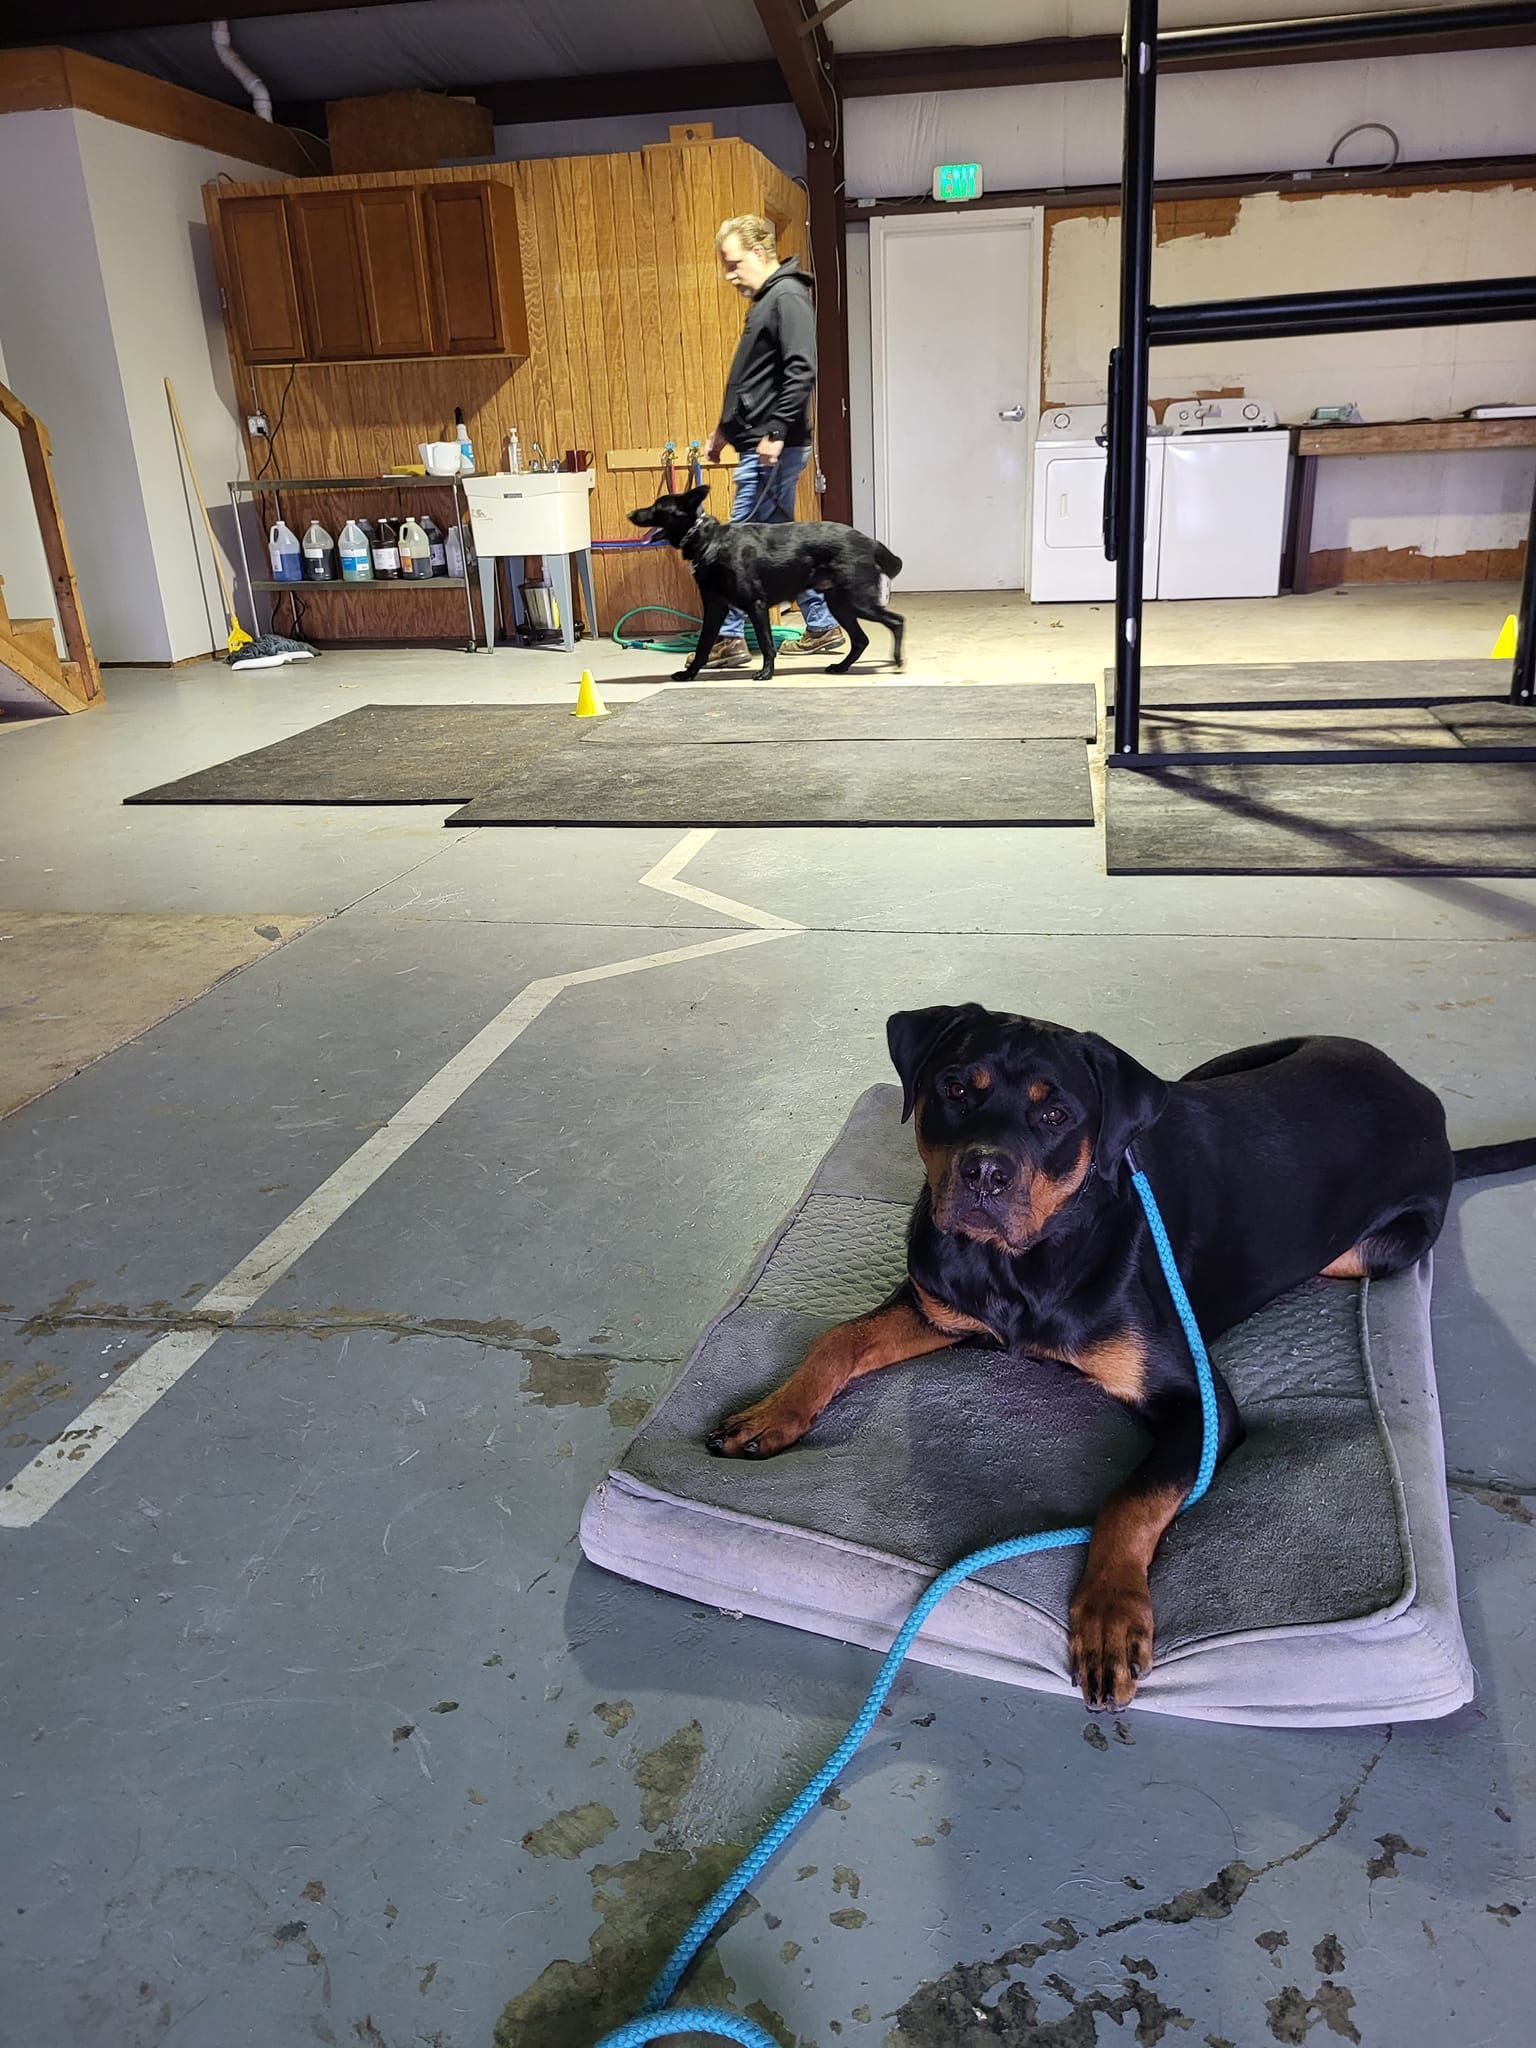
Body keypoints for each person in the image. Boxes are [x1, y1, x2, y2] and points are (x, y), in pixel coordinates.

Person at [702, 214, 845, 667]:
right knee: (778, 543)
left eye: (735, 263)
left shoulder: (787, 297)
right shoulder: (769, 299)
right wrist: (725, 428)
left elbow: (801, 369)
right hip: (761, 441)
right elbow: (755, 377)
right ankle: (821, 625)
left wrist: (776, 431)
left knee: (735, 545)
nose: (730, 274)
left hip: (771, 447)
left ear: (761, 253)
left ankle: (728, 637)